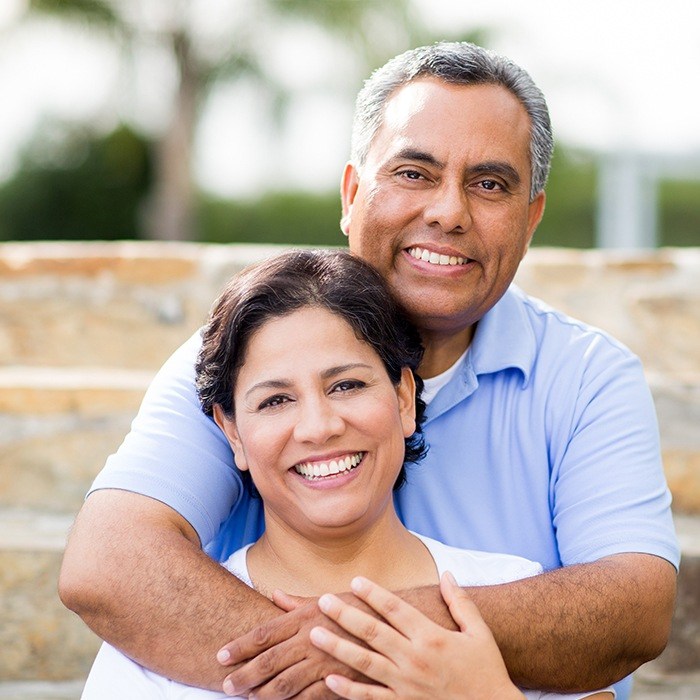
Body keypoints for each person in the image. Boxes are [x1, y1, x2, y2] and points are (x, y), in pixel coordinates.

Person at [59, 41, 678, 700]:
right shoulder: (245, 353)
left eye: (490, 184)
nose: (447, 212)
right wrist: (350, 671)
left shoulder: (586, 377)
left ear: (531, 220)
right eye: (413, 172)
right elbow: (109, 563)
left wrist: (383, 647)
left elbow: (633, 607)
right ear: (353, 194)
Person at [81, 249, 613, 700]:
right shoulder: (155, 640)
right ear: (233, 433)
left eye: (346, 386)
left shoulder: (510, 592)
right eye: (275, 400)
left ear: (404, 398)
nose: (318, 427)